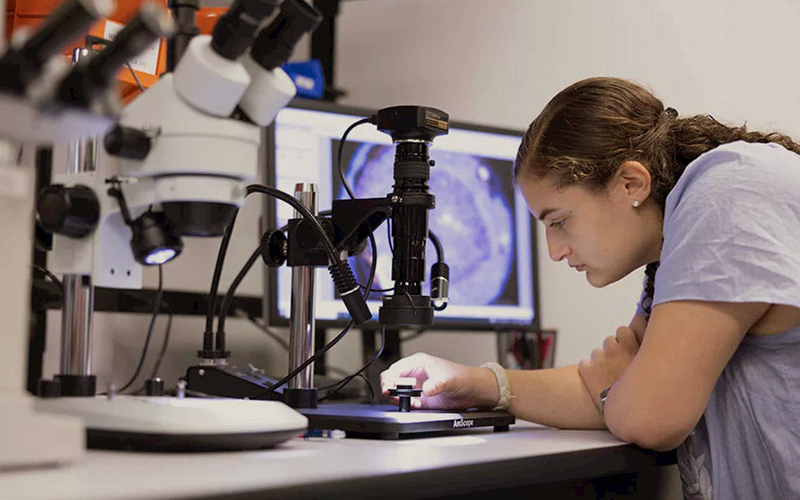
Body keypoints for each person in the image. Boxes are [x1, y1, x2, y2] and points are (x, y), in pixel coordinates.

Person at [380, 77, 800, 500]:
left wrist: (613, 391)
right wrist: (474, 383)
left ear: (631, 183)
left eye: (559, 221)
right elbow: (612, 391)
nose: (555, 251)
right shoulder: (677, 239)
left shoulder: (728, 194)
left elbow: (650, 416)